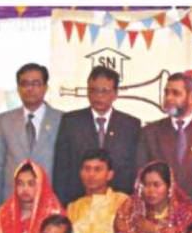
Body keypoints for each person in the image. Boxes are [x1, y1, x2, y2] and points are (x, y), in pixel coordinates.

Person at [53, 65, 141, 205]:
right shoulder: (71, 122)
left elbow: (134, 171)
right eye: (93, 90)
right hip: (78, 204)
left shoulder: (130, 125)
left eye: (104, 91)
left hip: (118, 205)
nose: (98, 96)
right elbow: (61, 170)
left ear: (115, 93)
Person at [0, 63, 63, 211]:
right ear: (18, 88)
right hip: (12, 203)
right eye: (24, 84)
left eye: (36, 83)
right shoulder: (5, 120)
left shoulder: (61, 120)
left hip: (49, 204)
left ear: (45, 87)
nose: (30, 89)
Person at [137, 72, 192, 203]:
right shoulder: (150, 132)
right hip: (161, 209)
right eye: (166, 93)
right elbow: (141, 177)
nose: (169, 98)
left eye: (176, 93)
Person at [66, 149, 129, 233]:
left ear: (110, 174)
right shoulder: (73, 208)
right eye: (87, 169)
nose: (91, 174)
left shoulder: (123, 202)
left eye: (97, 169)